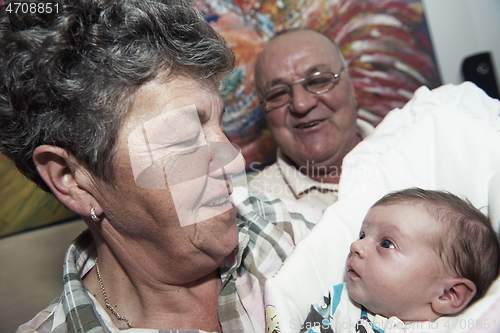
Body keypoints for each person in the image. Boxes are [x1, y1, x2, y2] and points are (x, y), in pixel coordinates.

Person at [0, 1, 319, 332]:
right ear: (73, 180)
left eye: (219, 125)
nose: (233, 160)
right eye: (184, 139)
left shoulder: (287, 231)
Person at [300, 188, 500, 333]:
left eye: (386, 244)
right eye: (362, 235)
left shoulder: (463, 328)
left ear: (448, 294)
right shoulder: (338, 305)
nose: (356, 246)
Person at [244, 29, 374, 209]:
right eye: (278, 94)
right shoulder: (253, 207)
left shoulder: (417, 144)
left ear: (351, 87)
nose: (301, 104)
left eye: (318, 81)